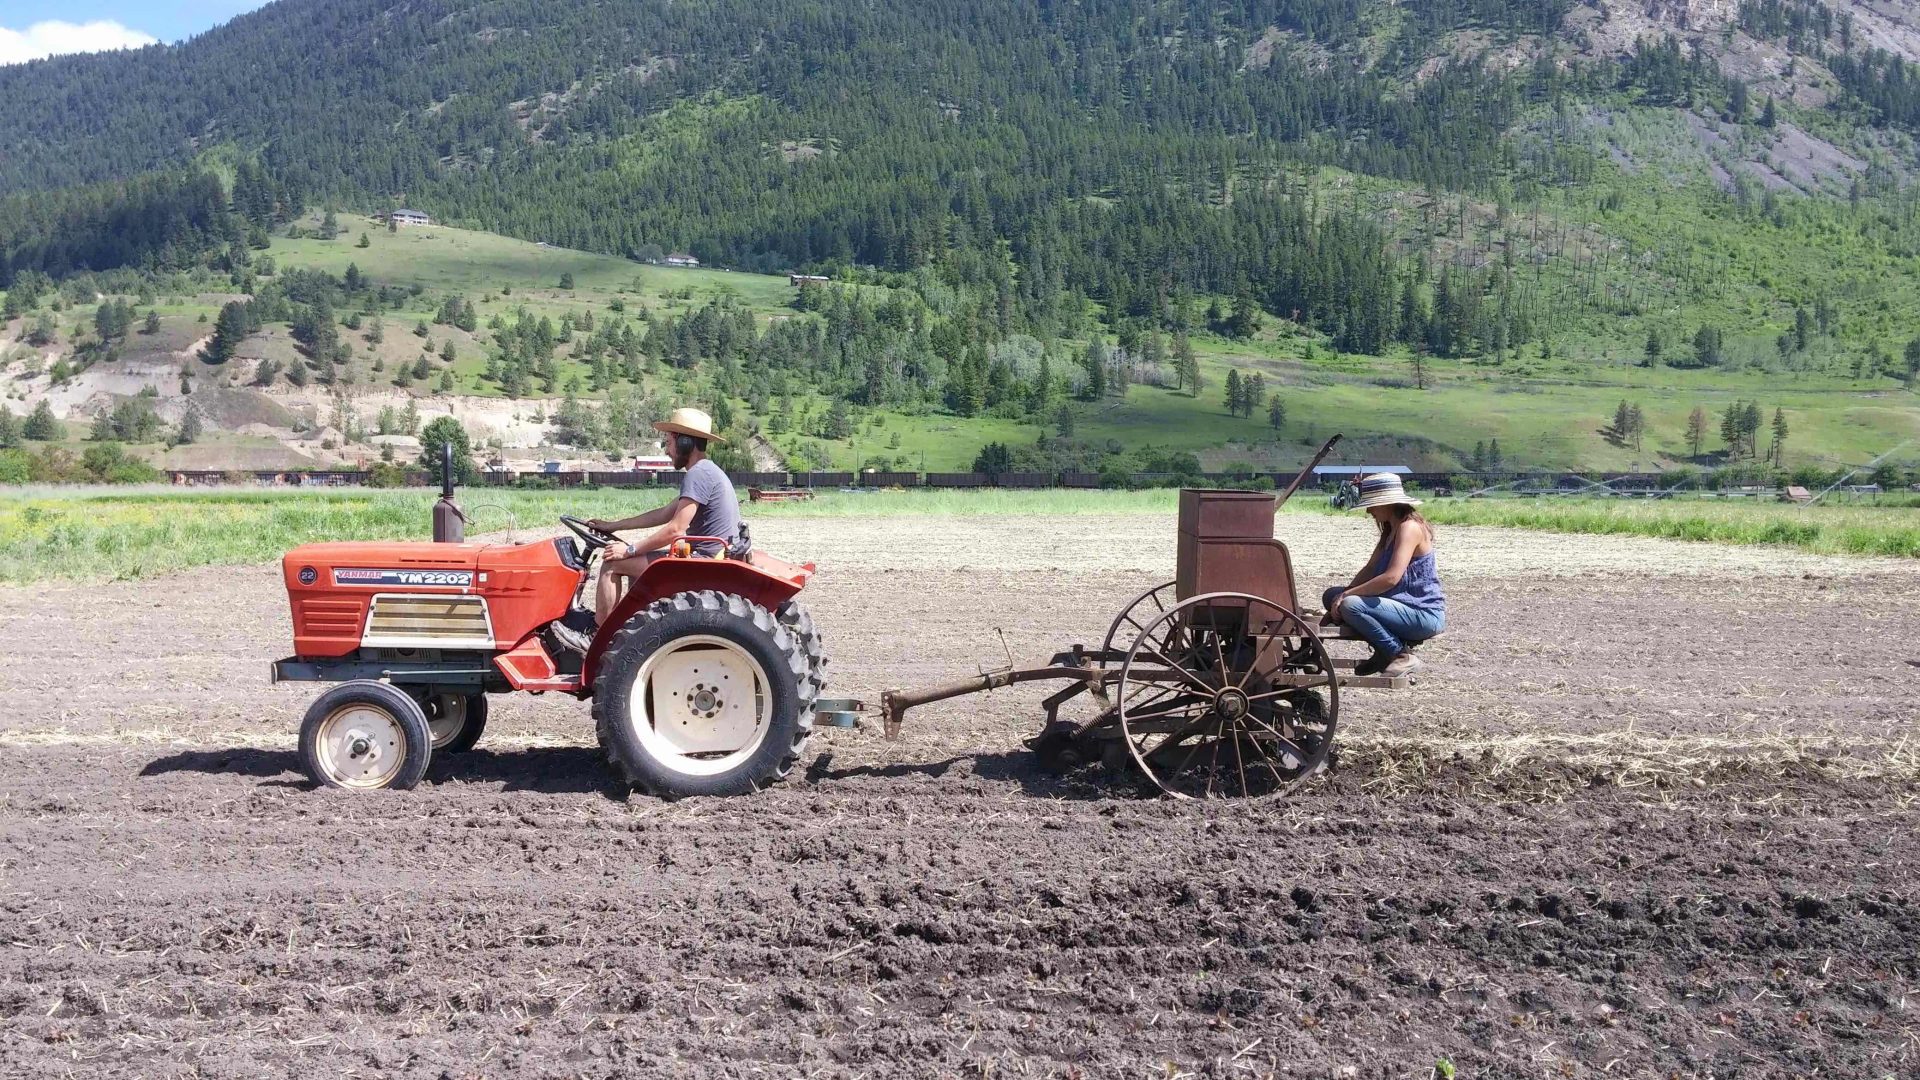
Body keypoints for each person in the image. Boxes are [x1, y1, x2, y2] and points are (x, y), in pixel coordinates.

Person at [548, 407, 739, 654]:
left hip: (702, 560)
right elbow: (662, 514)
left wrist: (628, 550)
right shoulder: (707, 471)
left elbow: (675, 530)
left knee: (612, 564)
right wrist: (612, 525)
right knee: (634, 566)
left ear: (685, 442)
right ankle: (632, 634)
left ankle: (596, 640)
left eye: (669, 442)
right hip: (706, 556)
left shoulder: (699, 474)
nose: (667, 450)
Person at [1321, 473, 1445, 678]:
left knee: (1351, 605)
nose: (1369, 510)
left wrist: (1345, 598)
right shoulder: (1390, 531)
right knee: (1331, 595)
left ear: (1388, 503)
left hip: (1422, 613)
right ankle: (1382, 652)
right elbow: (1370, 569)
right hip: (1399, 606)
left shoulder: (1409, 528)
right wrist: (1339, 596)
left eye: (1372, 505)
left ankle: (1400, 655)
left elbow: (1391, 578)